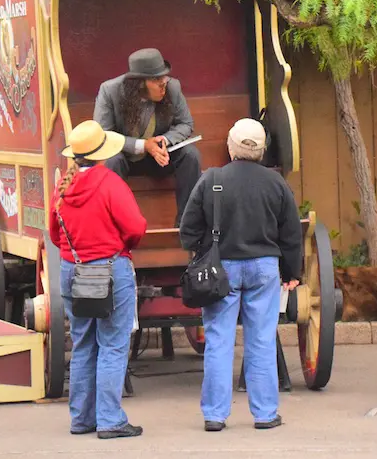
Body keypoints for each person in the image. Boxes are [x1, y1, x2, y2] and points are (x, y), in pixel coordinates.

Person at [179, 118, 303, 431]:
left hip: (221, 268)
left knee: (219, 340)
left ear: (231, 146)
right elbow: (291, 233)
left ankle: (215, 415)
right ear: (262, 150)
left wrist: (202, 249)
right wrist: (292, 271)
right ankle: (265, 414)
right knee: (261, 340)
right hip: (264, 268)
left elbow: (188, 230)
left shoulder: (212, 179)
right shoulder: (276, 183)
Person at [49, 120, 148, 439]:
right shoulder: (110, 183)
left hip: (73, 270)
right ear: (102, 153)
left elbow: (54, 234)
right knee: (113, 345)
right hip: (109, 270)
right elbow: (136, 227)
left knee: (83, 343)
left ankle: (81, 418)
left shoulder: (62, 187)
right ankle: (110, 419)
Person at [93, 48, 202, 225]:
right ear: (139, 83)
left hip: (159, 158)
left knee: (190, 154)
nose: (163, 82)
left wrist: (164, 140)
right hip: (126, 158)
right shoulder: (110, 91)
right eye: (156, 79)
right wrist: (143, 145)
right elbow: (103, 135)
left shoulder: (172, 87)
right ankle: (114, 226)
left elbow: (186, 123)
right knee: (111, 160)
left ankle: (187, 224)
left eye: (164, 76)